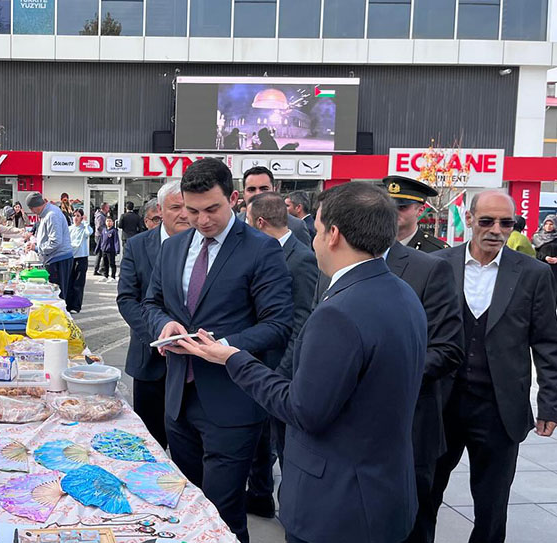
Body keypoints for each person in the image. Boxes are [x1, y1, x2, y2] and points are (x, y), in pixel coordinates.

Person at [176, 182, 426, 543]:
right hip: (386, 495)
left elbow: (303, 409)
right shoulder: (400, 291)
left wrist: (233, 358)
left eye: (318, 230)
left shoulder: (339, 312)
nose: (313, 239)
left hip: (337, 507)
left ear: (334, 234)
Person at [143, 158, 293, 542]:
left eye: (212, 209)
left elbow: (278, 324)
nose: (202, 220)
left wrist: (223, 348)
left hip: (232, 401)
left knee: (222, 513)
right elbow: (152, 302)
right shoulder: (174, 247)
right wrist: (164, 325)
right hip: (178, 398)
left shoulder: (262, 250)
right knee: (188, 507)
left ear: (234, 199)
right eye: (192, 211)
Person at [429, 190, 557, 543]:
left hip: (499, 409)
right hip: (442, 403)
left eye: (506, 223)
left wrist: (549, 402)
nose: (496, 229)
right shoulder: (439, 265)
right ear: (469, 220)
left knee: (491, 506)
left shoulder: (532, 274)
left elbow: (547, 342)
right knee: (424, 495)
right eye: (487, 221)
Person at [382, 177, 466, 543]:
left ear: (419, 209)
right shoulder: (352, 252)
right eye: (387, 205)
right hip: (358, 424)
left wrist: (387, 377)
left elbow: (447, 348)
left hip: (412, 412)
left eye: (402, 207)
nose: (394, 214)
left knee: (413, 517)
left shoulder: (433, 259)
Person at [242, 192, 319, 518]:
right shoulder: (259, 253)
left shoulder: (300, 259)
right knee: (260, 445)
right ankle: (260, 497)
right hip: (260, 368)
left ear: (259, 222)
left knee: (286, 450)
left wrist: (280, 374)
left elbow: (300, 324)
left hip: (283, 374)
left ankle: (294, 515)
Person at [119, 185, 190, 450]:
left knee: (188, 447)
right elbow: (127, 299)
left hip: (195, 364)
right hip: (150, 360)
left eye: (188, 206)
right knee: (151, 445)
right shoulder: (138, 246)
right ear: (160, 210)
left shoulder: (203, 246)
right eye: (175, 207)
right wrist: (160, 338)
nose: (184, 214)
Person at [239, 166, 310, 246]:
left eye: (264, 189)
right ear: (244, 194)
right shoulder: (233, 223)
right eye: (251, 189)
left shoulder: (296, 226)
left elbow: (304, 256)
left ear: (274, 191)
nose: (258, 194)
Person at [25, 192, 74, 299]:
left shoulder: (52, 215)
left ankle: (59, 315)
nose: (32, 212)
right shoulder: (46, 214)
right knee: (54, 292)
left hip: (59, 259)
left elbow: (55, 241)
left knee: (57, 295)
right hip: (55, 258)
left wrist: (37, 248)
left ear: (35, 207)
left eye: (31, 209)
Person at [385, 175, 449, 253]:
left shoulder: (437, 251)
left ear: (420, 211)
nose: (394, 211)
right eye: (389, 206)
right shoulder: (371, 245)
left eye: (401, 207)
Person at [67, 209, 94, 313]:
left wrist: (86, 222)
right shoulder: (70, 229)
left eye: (78, 216)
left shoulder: (84, 228)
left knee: (78, 282)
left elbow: (89, 232)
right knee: (69, 281)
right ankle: (68, 304)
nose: (76, 218)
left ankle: (76, 306)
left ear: (82, 217)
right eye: (74, 216)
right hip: (71, 257)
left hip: (81, 257)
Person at [533, 214, 557, 285]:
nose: (548, 226)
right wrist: (545, 257)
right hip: (541, 266)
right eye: (546, 224)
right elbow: (535, 252)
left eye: (551, 224)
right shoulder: (537, 237)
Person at [98, 217, 121, 283]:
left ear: (113, 222)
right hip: (104, 249)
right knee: (105, 263)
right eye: (107, 221)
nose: (109, 222)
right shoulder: (104, 230)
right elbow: (101, 240)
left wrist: (117, 249)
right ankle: (105, 275)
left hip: (111, 250)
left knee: (112, 263)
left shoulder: (114, 231)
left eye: (110, 221)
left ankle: (113, 276)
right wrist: (99, 248)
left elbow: (116, 241)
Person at [93, 203, 110, 275]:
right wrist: (106, 232)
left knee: (100, 253)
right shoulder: (100, 216)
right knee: (102, 253)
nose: (109, 208)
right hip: (100, 237)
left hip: (100, 236)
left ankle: (98, 269)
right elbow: (99, 227)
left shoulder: (102, 215)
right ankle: (100, 269)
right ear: (105, 208)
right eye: (108, 207)